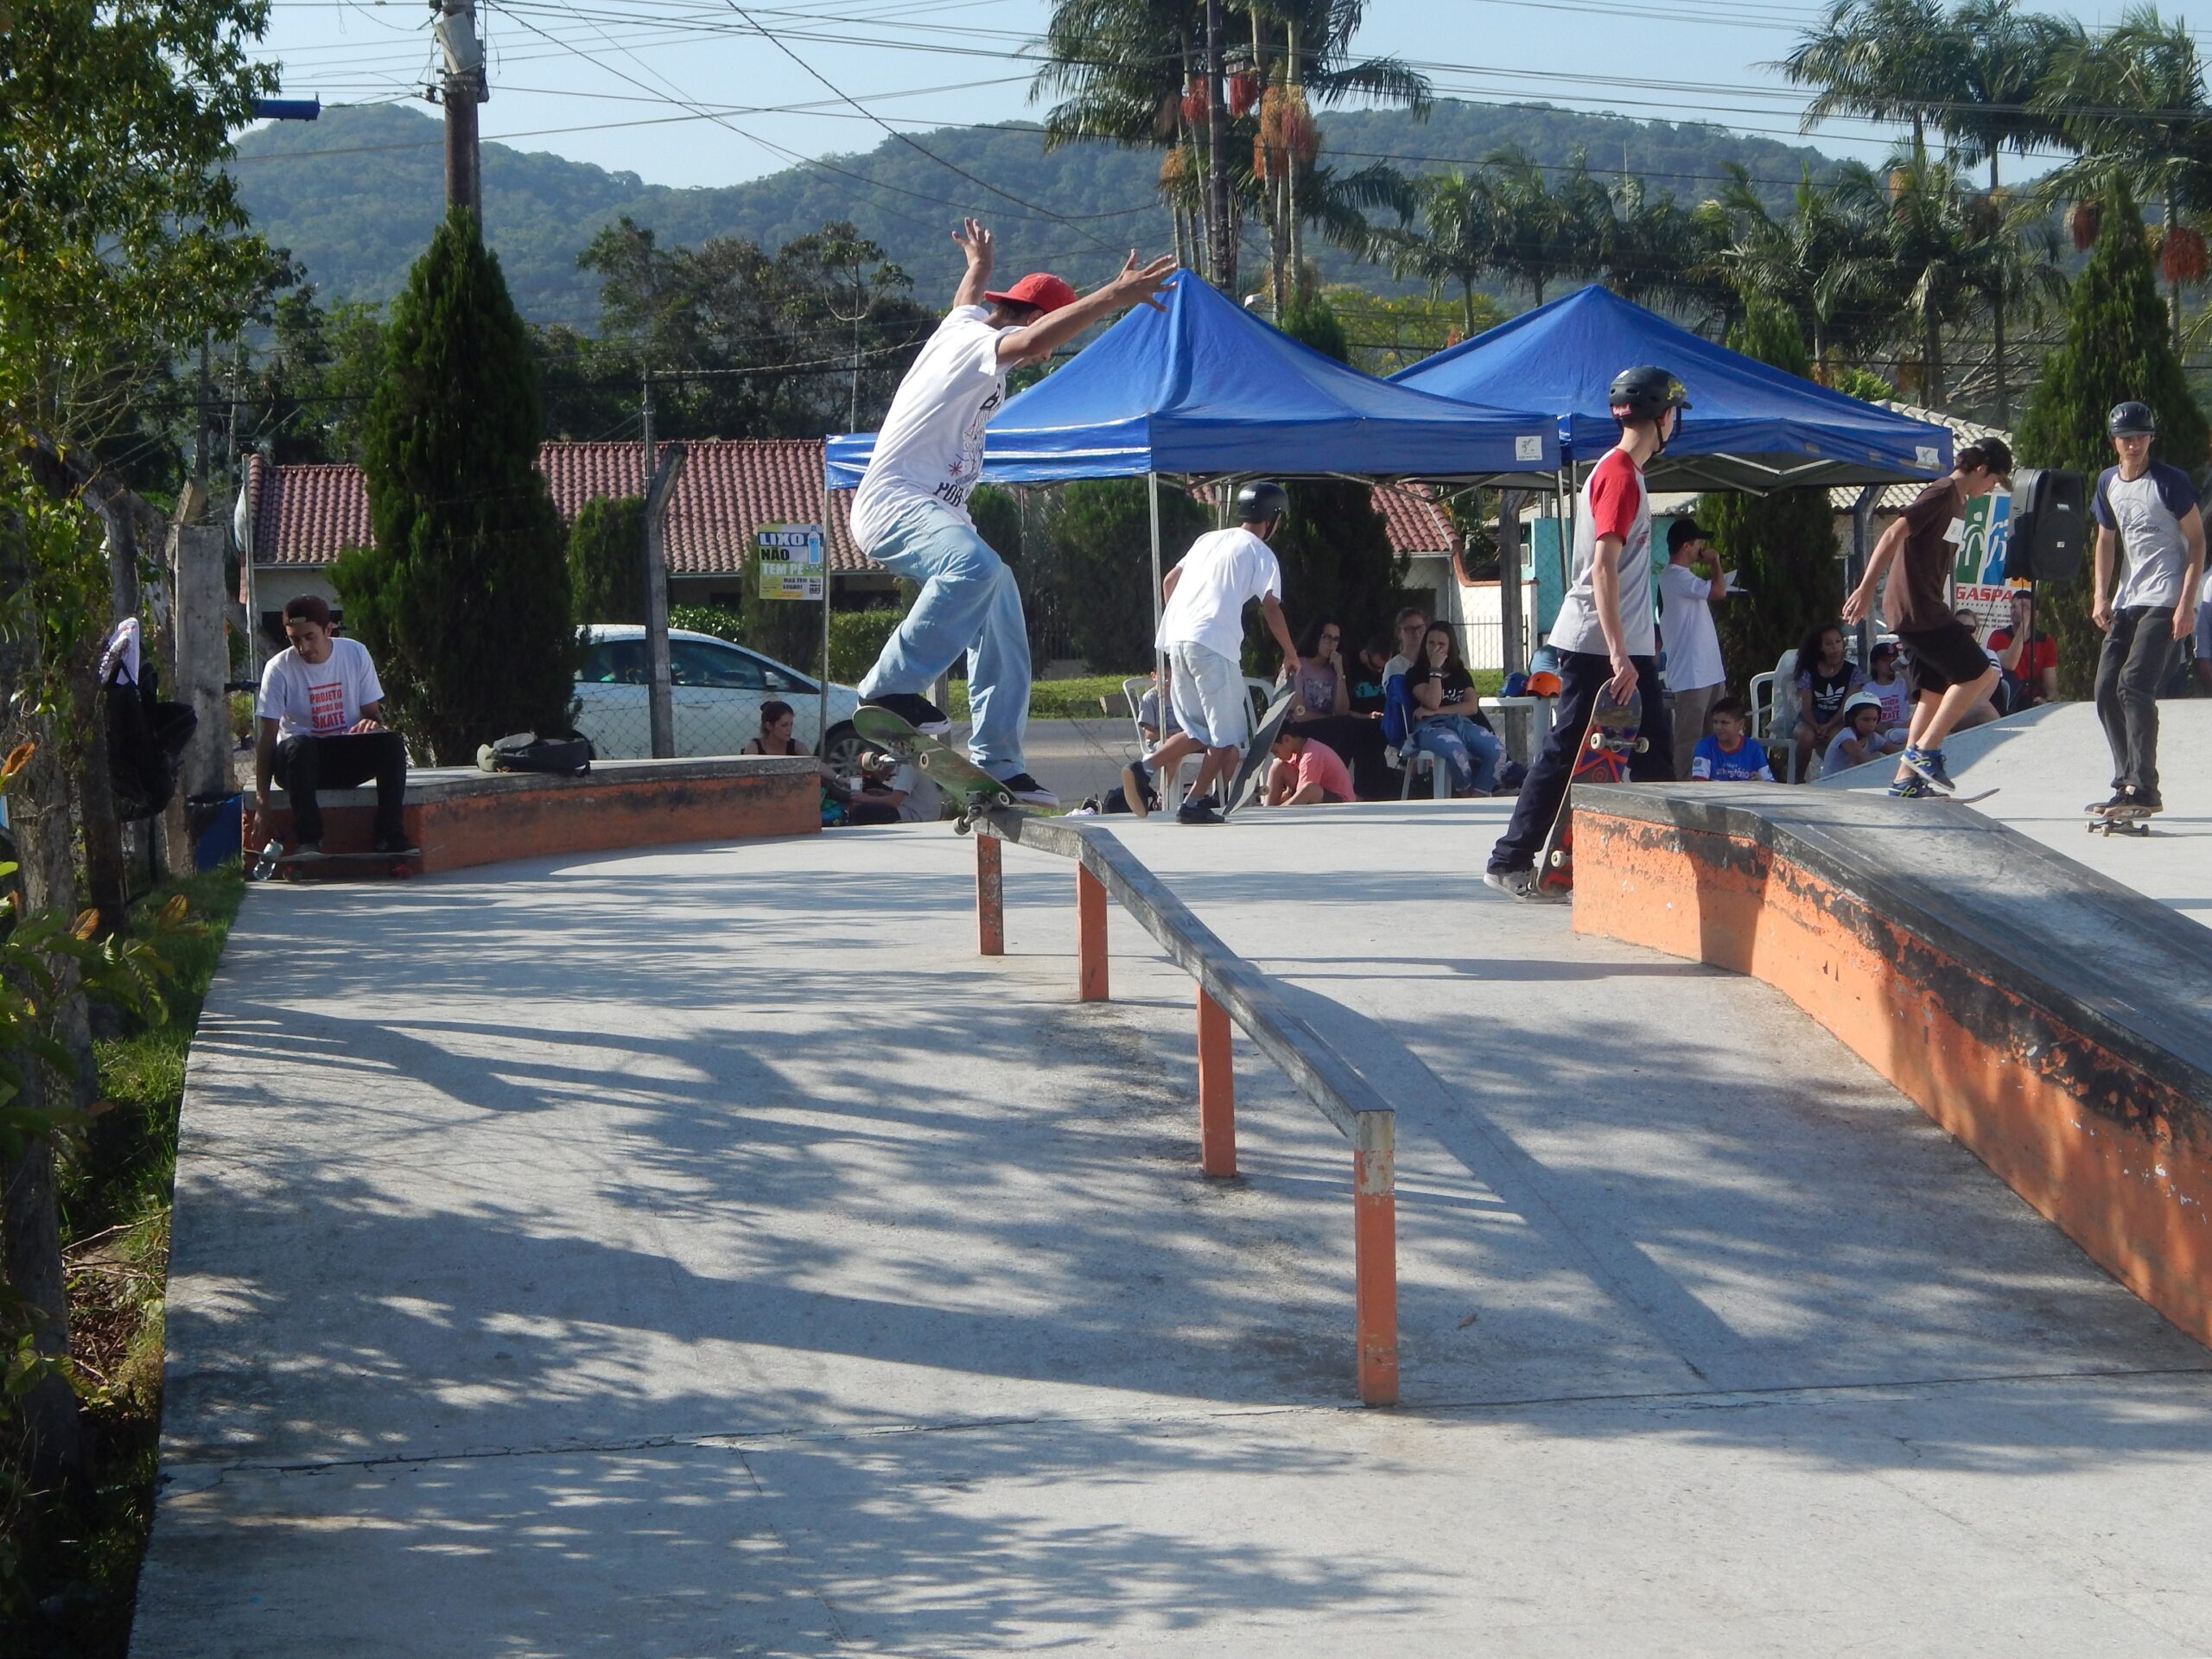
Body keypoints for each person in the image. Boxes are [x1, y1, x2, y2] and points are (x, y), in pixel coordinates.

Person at [850, 217, 1175, 808]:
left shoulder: (966, 323)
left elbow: (966, 301)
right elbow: (1024, 342)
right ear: (1031, 320)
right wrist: (1113, 296)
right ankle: (887, 688)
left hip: (930, 506)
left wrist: (978, 268)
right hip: (897, 501)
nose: (1040, 358)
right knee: (975, 569)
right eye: (1047, 342)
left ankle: (1001, 762)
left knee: (1000, 600)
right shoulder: (979, 346)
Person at [1487, 365, 1685, 896]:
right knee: (1568, 749)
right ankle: (1509, 859)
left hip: (1622, 643)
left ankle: (1662, 863)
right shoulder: (1619, 474)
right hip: (1600, 645)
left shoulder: (1621, 472)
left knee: (1652, 754)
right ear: (1664, 417)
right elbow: (1603, 566)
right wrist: (1621, 654)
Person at [1120, 481, 1302, 825]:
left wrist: (1186, 619)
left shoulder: (1208, 539)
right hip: (1213, 645)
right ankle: (1194, 802)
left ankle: (1142, 768)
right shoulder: (1261, 553)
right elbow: (1272, 607)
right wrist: (1291, 654)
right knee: (1228, 735)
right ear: (1273, 518)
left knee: (1200, 731)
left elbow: (1170, 580)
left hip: (1177, 640)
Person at [1842, 437, 2012, 797]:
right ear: (1981, 468)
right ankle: (1926, 751)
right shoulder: (1940, 493)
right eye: (1994, 480)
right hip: (1917, 608)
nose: (1991, 488)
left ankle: (1905, 779)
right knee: (1978, 672)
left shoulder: (1959, 503)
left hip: (1924, 606)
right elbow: (1892, 533)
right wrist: (1864, 588)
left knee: (1932, 692)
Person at [2089, 400, 2204, 819]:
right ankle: (2125, 782)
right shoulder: (2108, 482)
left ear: (2151, 438)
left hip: (2166, 596)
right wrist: (2100, 594)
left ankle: (2145, 787)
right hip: (2127, 598)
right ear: (2114, 442)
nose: (2133, 445)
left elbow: (2196, 541)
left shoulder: (2170, 482)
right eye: (2126, 438)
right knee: (2105, 688)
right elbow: (2105, 538)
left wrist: (2186, 603)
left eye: (2140, 437)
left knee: (2134, 684)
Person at [251, 595, 415, 858]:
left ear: (328, 630)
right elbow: (268, 737)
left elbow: (374, 715)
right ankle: (308, 840)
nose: (303, 648)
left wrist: (370, 723)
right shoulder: (278, 668)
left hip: (342, 756)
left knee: (392, 743)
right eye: (294, 639)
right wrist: (262, 803)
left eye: (310, 637)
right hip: (298, 765)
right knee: (300, 745)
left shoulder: (355, 653)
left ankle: (390, 835)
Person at [1657, 518, 1734, 774]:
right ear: (1687, 546)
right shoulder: (1674, 577)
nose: (1702, 547)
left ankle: (1710, 784)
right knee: (1690, 739)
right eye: (1698, 542)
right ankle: (1684, 787)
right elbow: (1719, 591)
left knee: (1715, 736)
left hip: (1709, 671)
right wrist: (1714, 562)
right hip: (1692, 674)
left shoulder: (1685, 578)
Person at [1404, 621, 1503, 796]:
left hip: (1460, 723)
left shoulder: (1460, 673)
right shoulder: (1416, 673)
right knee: (1456, 750)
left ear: (1450, 648)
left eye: (1441, 644)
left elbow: (1472, 707)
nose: (1435, 649)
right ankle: (1465, 795)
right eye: (1431, 643)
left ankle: (1478, 797)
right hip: (1429, 728)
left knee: (1497, 751)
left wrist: (1438, 711)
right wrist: (1435, 670)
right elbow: (1432, 701)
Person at [1791, 622, 1865, 778]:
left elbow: (1847, 704)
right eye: (1829, 643)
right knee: (1806, 736)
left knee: (1843, 739)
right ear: (1821, 647)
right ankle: (1798, 778)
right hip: (1812, 719)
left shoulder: (1852, 671)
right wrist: (1816, 726)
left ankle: (1838, 777)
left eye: (1838, 642)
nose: (1835, 647)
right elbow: (1805, 707)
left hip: (1839, 719)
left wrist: (1829, 725)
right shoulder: (1809, 672)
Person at [1989, 588, 2057, 709]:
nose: (2016, 610)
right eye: (2013, 606)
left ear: (2035, 614)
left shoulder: (2045, 641)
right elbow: (2009, 664)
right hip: (2008, 701)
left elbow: (2051, 686)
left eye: (2024, 607)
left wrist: (2045, 700)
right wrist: (2023, 626)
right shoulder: (1999, 636)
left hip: (2033, 701)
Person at [1262, 727, 1355, 807]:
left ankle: (1278, 814)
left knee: (1309, 788)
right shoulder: (1296, 753)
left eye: (1275, 751)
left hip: (1341, 802)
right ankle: (1267, 809)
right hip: (1319, 795)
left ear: (1286, 739)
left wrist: (1281, 807)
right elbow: (1290, 794)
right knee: (1278, 767)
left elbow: (1303, 795)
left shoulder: (1311, 755)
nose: (1275, 756)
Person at [1688, 696, 1775, 781]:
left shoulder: (1754, 749)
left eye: (1724, 723)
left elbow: (1771, 786)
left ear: (1741, 724)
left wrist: (1761, 784)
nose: (1718, 727)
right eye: (1715, 722)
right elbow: (1699, 784)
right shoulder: (1705, 746)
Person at [1822, 690, 1901, 774]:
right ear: (1851, 719)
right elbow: (1860, 758)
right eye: (1865, 720)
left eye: (1874, 719)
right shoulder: (1846, 737)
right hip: (1831, 784)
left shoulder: (1873, 737)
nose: (1871, 724)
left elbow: (1898, 755)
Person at [1290, 619, 1351, 719]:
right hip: (1301, 729)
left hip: (1330, 727)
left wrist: (1340, 674)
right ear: (1316, 637)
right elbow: (1299, 713)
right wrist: (1330, 720)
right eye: (1327, 637)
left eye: (1336, 639)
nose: (1332, 643)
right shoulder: (1298, 666)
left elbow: (1342, 713)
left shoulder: (1333, 669)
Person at [1866, 640, 1911, 745]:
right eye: (1885, 660)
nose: (1890, 664)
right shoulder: (1868, 689)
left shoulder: (1902, 684)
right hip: (1881, 734)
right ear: (1874, 665)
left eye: (1893, 660)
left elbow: (1914, 699)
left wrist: (1904, 671)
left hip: (1904, 729)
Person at [1347, 637, 1392, 716]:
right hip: (1359, 723)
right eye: (1375, 666)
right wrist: (1365, 717)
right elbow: (1341, 710)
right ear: (1364, 654)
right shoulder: (1349, 667)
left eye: (1385, 667)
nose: (1380, 671)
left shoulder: (1393, 667)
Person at [1383, 607, 1428, 680]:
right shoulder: (1394, 666)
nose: (1416, 634)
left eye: (1420, 628)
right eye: (1410, 629)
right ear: (1399, 633)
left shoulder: (1433, 661)